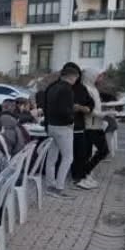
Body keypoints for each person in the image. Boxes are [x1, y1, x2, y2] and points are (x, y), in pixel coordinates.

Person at [41, 64, 78, 197]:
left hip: (51, 125)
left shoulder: (52, 87)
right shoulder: (67, 89)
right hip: (63, 127)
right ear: (72, 77)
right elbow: (65, 110)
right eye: (76, 78)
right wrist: (71, 120)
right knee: (68, 157)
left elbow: (46, 107)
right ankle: (59, 187)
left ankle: (50, 185)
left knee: (52, 157)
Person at [78, 70, 108, 189]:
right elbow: (88, 109)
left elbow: (96, 106)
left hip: (96, 124)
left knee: (89, 153)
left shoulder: (93, 88)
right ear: (92, 76)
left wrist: (105, 112)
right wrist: (103, 115)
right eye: (98, 76)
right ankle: (83, 174)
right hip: (91, 125)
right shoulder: (86, 89)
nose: (101, 79)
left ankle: (85, 174)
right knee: (103, 150)